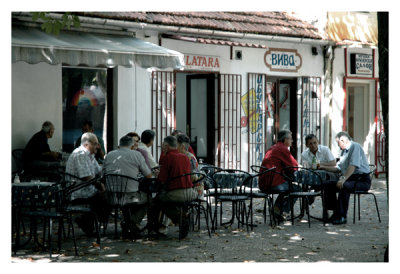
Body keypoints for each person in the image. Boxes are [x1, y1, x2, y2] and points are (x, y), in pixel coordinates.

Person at [103, 135, 153, 238]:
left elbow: (102, 174)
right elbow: (148, 175)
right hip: (130, 197)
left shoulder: (109, 155)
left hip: (111, 197)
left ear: (119, 145)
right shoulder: (136, 154)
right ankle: (131, 222)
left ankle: (128, 223)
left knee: (131, 196)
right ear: (131, 146)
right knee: (149, 199)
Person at [319, 131, 371, 225]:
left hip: (361, 180)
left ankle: (342, 216)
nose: (338, 146)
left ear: (343, 140)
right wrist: (323, 167)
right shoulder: (344, 151)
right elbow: (338, 168)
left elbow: (353, 165)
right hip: (350, 179)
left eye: (338, 142)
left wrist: (343, 178)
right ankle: (335, 212)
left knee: (344, 186)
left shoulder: (355, 146)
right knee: (327, 184)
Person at [151, 136, 197, 239]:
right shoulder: (185, 157)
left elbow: (162, 179)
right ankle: (182, 217)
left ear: (167, 146)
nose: (162, 147)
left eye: (163, 145)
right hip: (190, 192)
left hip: (176, 192)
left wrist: (158, 174)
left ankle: (161, 225)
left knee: (156, 201)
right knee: (163, 200)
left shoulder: (168, 157)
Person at [66, 132, 110, 236]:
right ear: (86, 144)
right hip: (78, 192)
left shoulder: (90, 155)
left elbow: (99, 171)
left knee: (108, 195)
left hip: (87, 189)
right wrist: (99, 185)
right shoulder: (80, 154)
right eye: (95, 144)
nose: (98, 146)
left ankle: (88, 222)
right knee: (107, 197)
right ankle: (86, 221)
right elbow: (86, 177)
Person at [259, 129, 301, 221]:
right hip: (273, 183)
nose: (292, 141)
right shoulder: (283, 149)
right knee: (297, 189)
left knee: (289, 187)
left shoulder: (273, 147)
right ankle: (282, 211)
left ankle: (277, 209)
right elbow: (294, 166)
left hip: (264, 182)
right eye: (290, 139)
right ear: (285, 139)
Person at [176, 134, 203, 199]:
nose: (174, 147)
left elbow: (193, 177)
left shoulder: (189, 158)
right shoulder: (185, 156)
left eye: (176, 145)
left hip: (194, 190)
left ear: (182, 146)